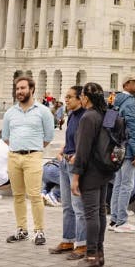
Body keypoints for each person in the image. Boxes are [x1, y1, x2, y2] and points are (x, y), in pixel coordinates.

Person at [1, 75, 55, 246]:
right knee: (17, 195)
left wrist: (33, 148)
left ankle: (39, 231)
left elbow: (48, 136)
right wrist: (18, 147)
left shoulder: (43, 111)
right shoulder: (10, 112)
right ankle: (21, 229)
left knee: (34, 195)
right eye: (17, 88)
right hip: (14, 156)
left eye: (23, 88)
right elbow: (6, 136)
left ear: (31, 89)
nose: (20, 92)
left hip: (33, 156)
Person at [67, 82, 112, 267]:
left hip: (91, 171)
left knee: (91, 214)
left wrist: (76, 178)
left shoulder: (88, 117)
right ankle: (99, 253)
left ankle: (91, 255)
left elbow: (82, 151)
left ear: (85, 98)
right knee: (100, 213)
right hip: (105, 168)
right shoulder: (107, 114)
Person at [49, 86, 86, 256]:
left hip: (75, 164)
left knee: (79, 206)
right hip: (65, 161)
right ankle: (68, 240)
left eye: (70, 97)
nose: (66, 99)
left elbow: (87, 142)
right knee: (67, 205)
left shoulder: (85, 117)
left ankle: (82, 243)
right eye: (66, 96)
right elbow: (70, 138)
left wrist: (77, 155)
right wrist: (62, 150)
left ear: (80, 99)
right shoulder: (71, 115)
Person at [107, 75, 135, 234]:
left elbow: (107, 124)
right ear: (126, 84)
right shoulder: (129, 103)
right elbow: (134, 130)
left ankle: (114, 219)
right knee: (126, 185)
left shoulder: (115, 100)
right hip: (128, 150)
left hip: (118, 148)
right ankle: (121, 220)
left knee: (118, 184)